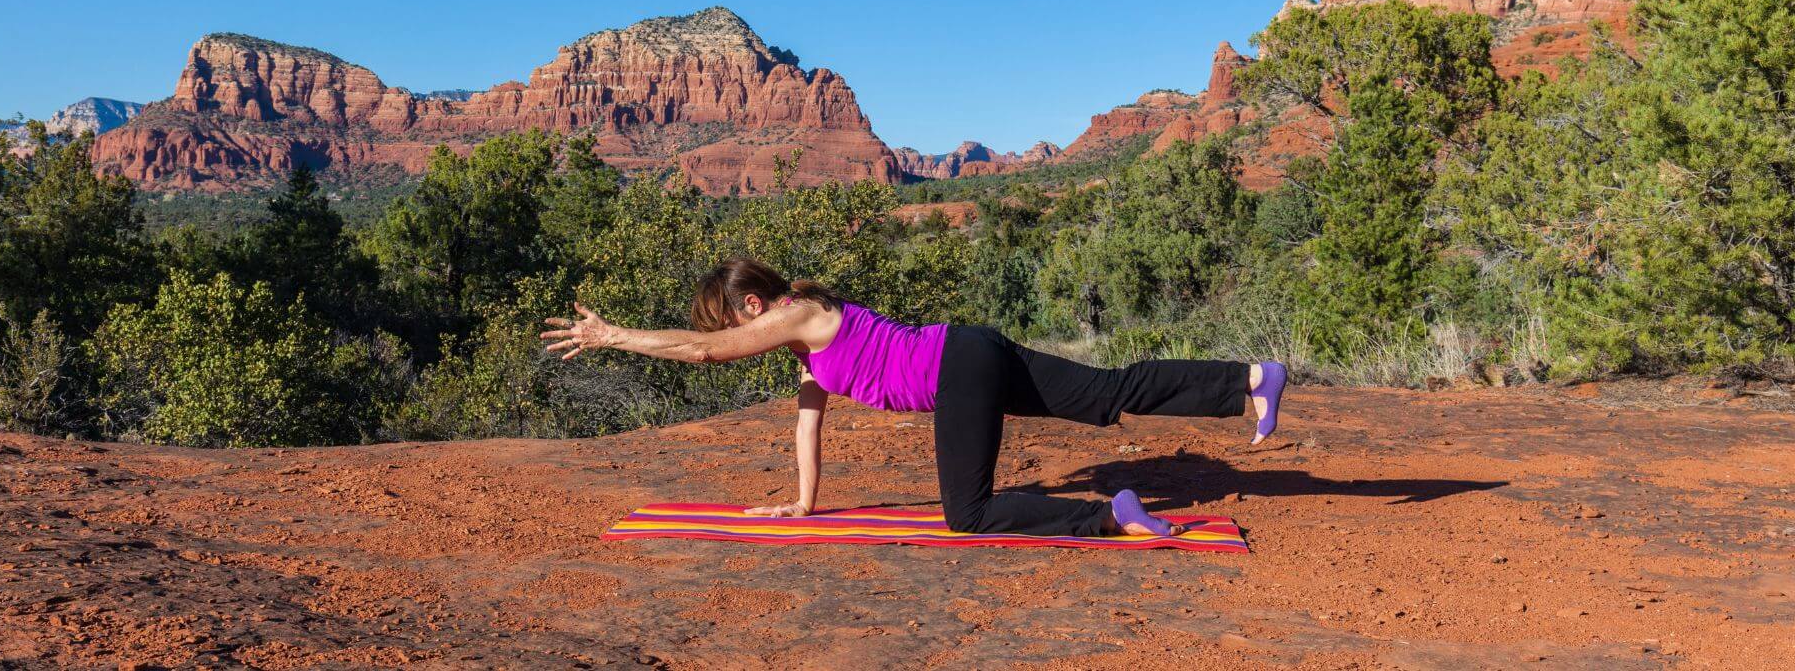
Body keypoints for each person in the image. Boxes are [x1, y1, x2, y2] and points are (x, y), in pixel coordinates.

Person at [541, 257, 1286, 538]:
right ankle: (1249, 379)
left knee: (969, 515)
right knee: (1104, 393)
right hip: (968, 348)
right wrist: (802, 504)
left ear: (751, 307)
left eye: (729, 323)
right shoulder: (808, 345)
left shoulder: (796, 310)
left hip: (956, 367)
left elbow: (702, 351)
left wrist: (612, 336)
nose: (730, 340)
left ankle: (1108, 516)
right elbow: (808, 429)